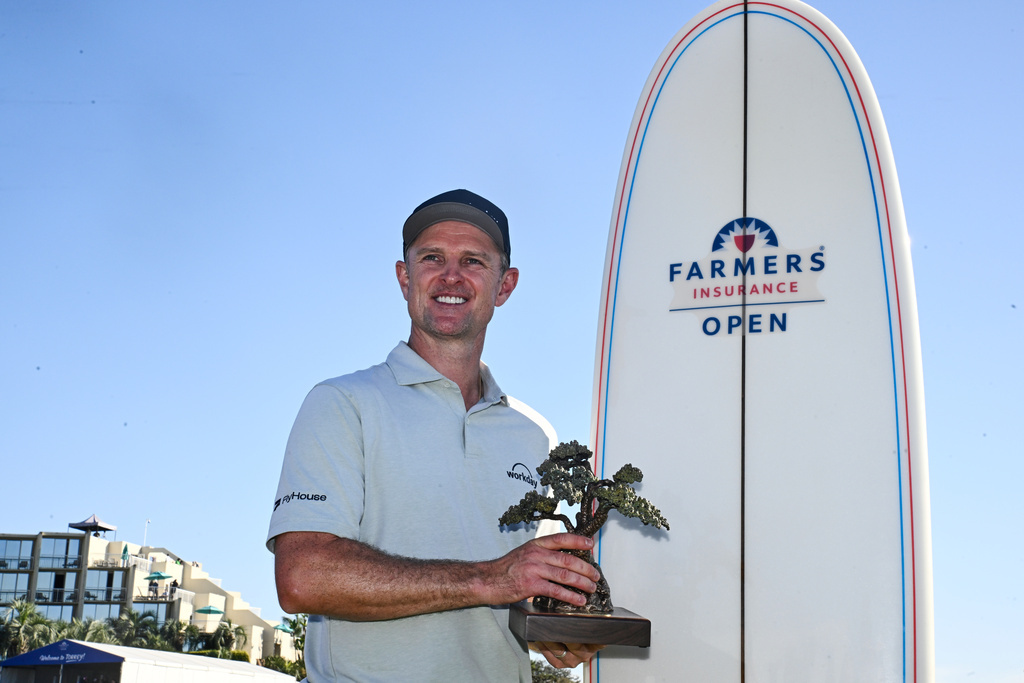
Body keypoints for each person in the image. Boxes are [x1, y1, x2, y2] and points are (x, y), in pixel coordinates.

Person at [267, 189, 601, 682]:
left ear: (504, 285)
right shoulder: (342, 403)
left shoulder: (535, 435)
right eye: (431, 258)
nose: (451, 276)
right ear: (405, 278)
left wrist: (557, 629)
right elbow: (303, 577)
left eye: (473, 261)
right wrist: (489, 579)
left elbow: (528, 592)